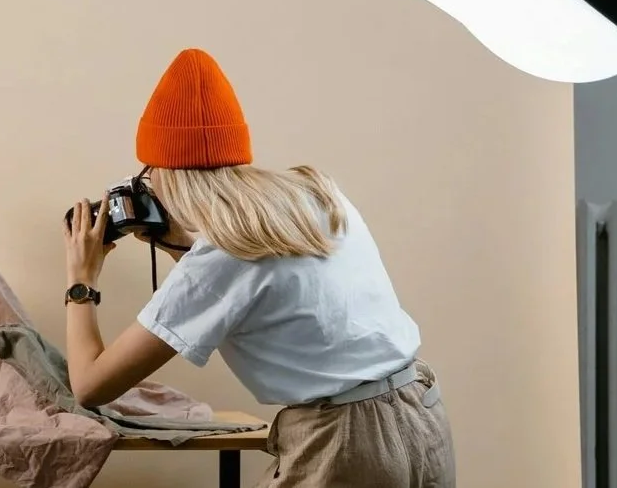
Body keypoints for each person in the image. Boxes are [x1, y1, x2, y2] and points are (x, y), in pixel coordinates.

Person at [60, 48, 455, 487]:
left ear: (165, 172)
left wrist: (82, 280)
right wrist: (180, 247)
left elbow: (91, 385)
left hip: (342, 440)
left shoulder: (219, 261)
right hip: (419, 411)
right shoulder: (318, 194)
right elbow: (255, 289)